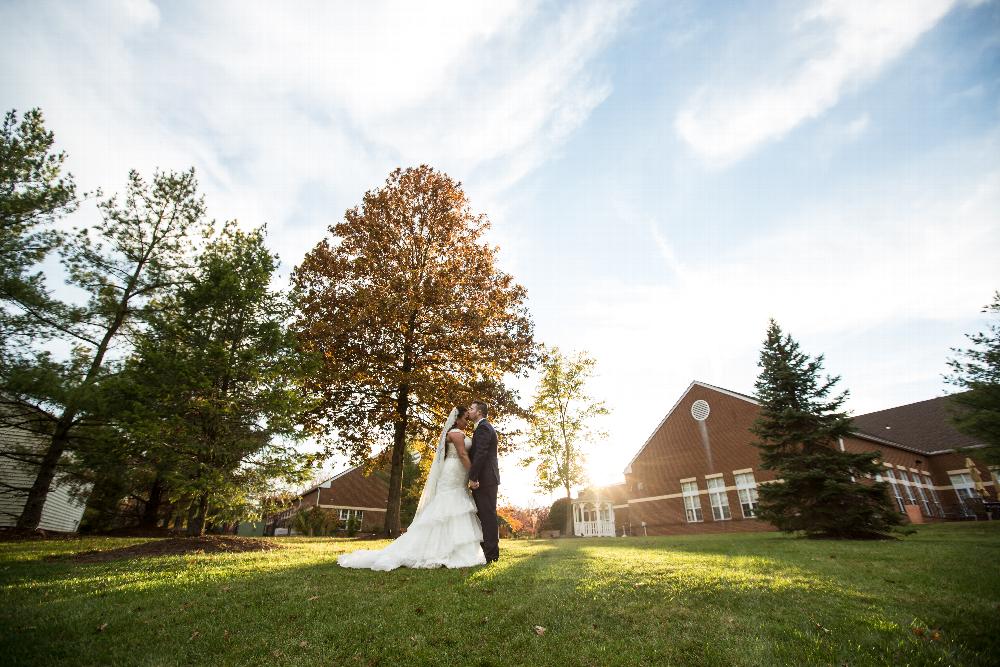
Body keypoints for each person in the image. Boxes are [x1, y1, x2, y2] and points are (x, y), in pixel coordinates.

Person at [336, 406, 486, 570]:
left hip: (458, 473)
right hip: (453, 472)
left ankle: (455, 550)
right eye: (464, 418)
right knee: (447, 507)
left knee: (455, 508)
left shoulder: (460, 433)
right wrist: (473, 476)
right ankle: (441, 551)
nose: (466, 422)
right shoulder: (455, 433)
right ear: (456, 419)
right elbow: (463, 454)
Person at [466, 400, 500, 563]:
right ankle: (489, 552)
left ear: (479, 412)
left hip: (485, 478)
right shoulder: (483, 427)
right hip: (487, 477)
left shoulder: (484, 428)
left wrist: (473, 477)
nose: (469, 411)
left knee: (487, 516)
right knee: (486, 515)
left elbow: (481, 454)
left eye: (471, 409)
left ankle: (491, 555)